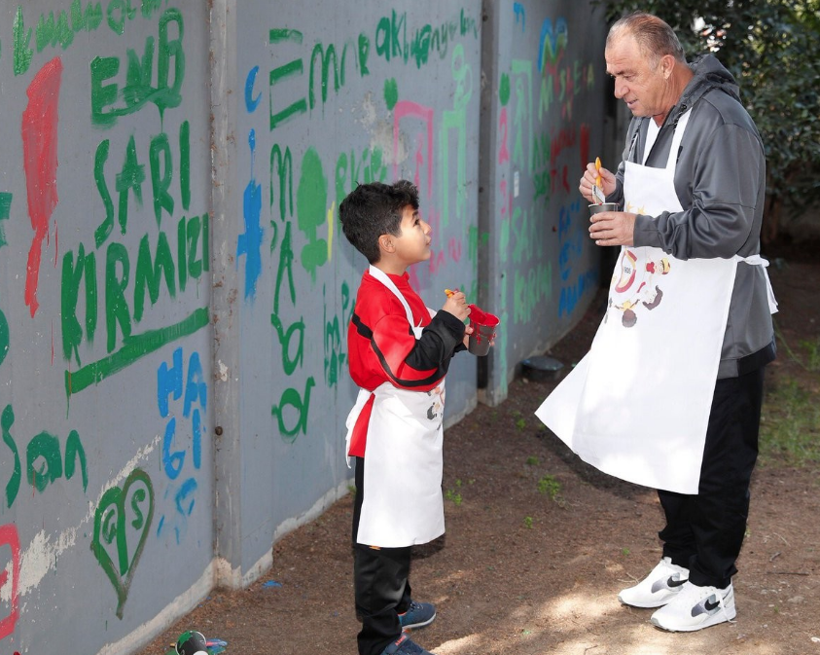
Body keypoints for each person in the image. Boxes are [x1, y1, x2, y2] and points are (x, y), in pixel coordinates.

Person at [537, 12, 776, 633]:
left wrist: (637, 227)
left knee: (718, 459)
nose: (618, 90)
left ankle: (714, 582)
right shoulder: (648, 120)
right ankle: (679, 559)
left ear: (666, 66)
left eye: (627, 75)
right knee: (668, 444)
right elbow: (670, 200)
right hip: (669, 324)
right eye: (613, 76)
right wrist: (615, 193)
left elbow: (728, 224)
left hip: (723, 331)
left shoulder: (722, 123)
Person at [339, 180, 473, 655]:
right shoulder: (377, 300)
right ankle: (380, 639)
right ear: (387, 243)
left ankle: (396, 604)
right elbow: (412, 367)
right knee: (380, 540)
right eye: (416, 221)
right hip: (383, 440)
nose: (428, 227)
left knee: (400, 527)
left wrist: (459, 335)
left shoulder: (400, 287)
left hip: (406, 432)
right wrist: (448, 323)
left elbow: (423, 349)